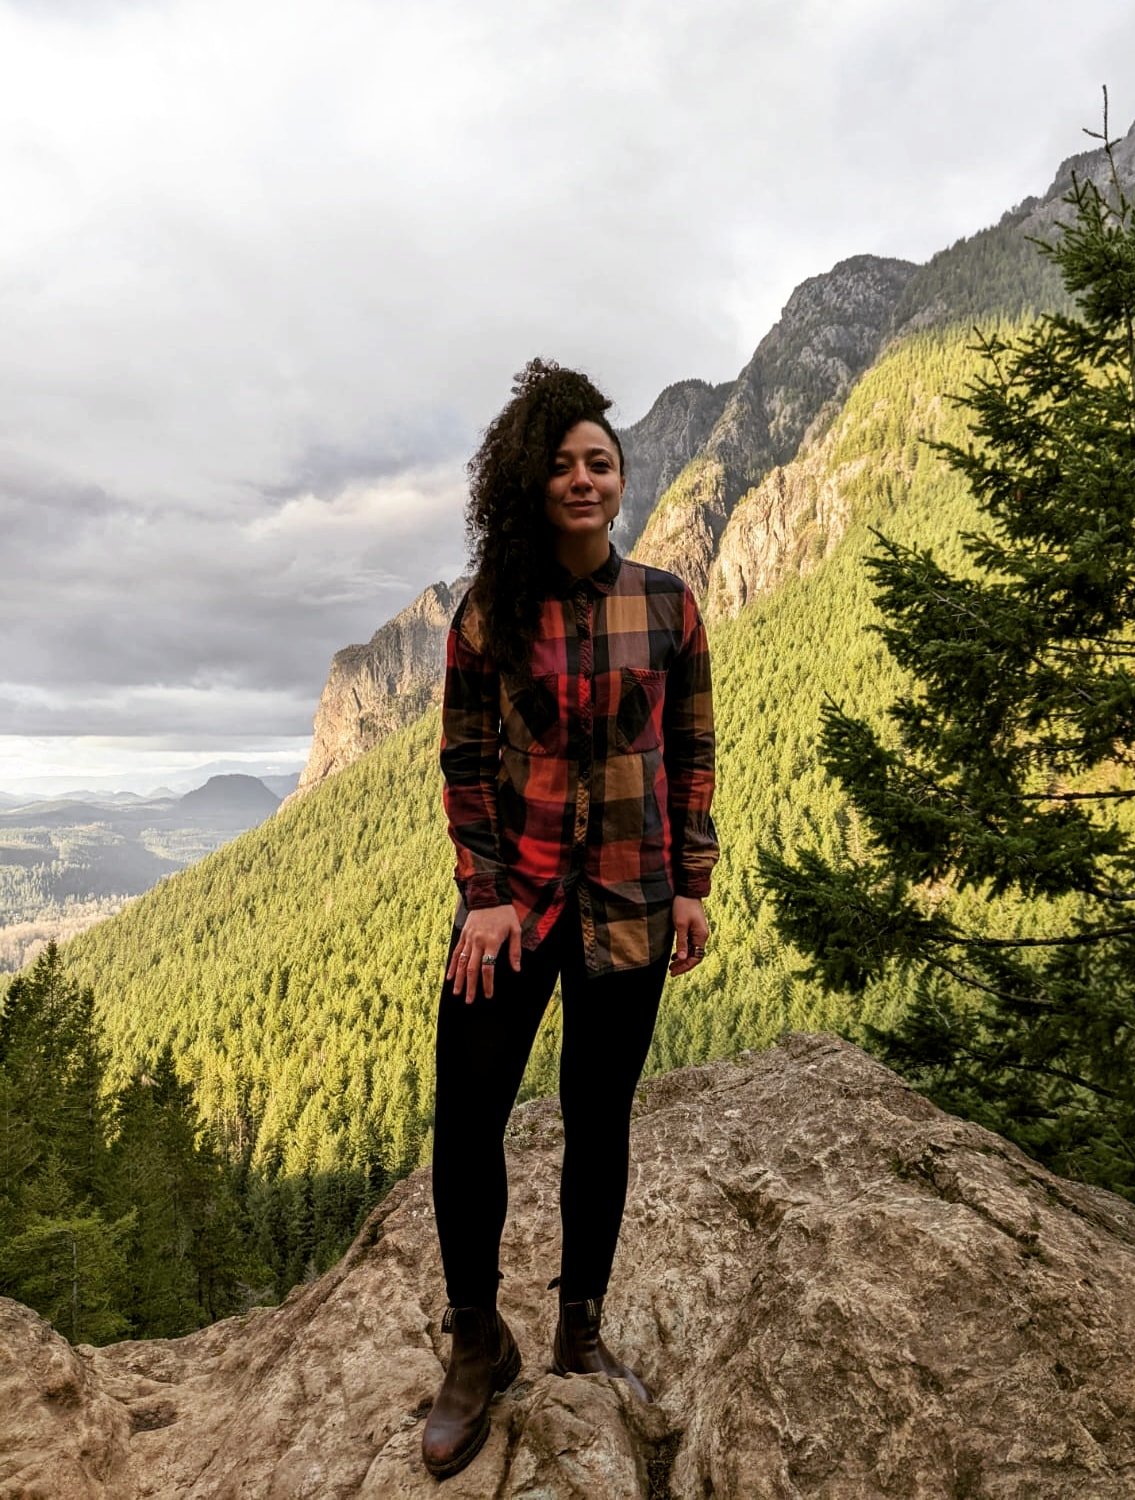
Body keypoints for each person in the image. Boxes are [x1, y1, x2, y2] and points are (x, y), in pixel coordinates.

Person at [421, 358, 719, 1479]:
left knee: (602, 1119)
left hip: (635, 900)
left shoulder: (668, 604)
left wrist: (692, 882)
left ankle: (578, 1330)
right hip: (519, 906)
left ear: (623, 476)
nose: (582, 479)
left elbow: (690, 751)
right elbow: (460, 762)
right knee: (466, 1121)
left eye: (599, 461)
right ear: (530, 484)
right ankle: (475, 1340)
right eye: (562, 465)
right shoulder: (491, 614)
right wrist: (485, 898)